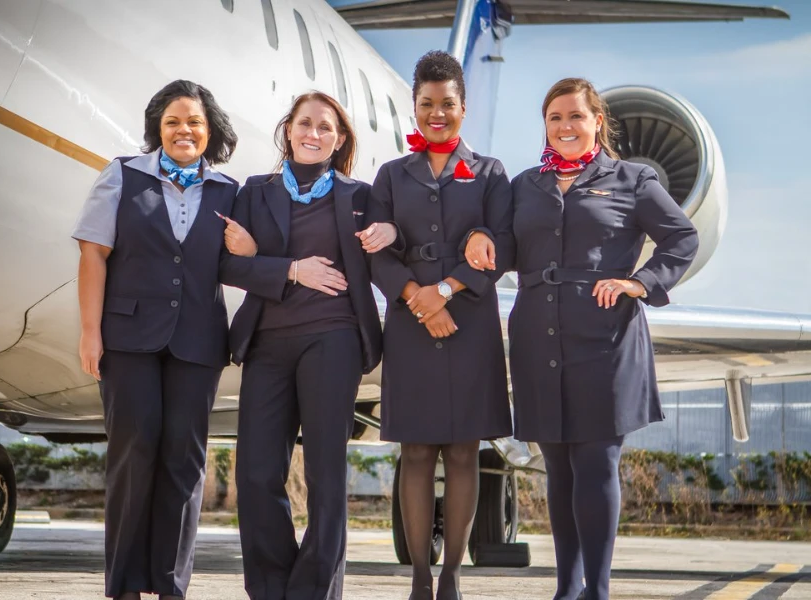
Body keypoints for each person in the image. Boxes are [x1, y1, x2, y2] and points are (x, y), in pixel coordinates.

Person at [508, 77, 699, 600]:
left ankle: (598, 591)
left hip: (605, 337)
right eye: (554, 118)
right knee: (558, 467)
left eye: (575, 116)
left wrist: (641, 281)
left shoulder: (631, 179)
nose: (565, 127)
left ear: (597, 121)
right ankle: (566, 589)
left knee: (595, 461)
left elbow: (682, 236)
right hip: (537, 337)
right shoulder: (525, 185)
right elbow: (501, 246)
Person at [72, 79, 239, 600]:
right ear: (157, 130)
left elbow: (245, 261)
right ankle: (123, 586)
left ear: (210, 132)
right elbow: (93, 255)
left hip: (198, 342)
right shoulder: (121, 176)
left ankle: (170, 585)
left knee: (184, 463)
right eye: (172, 122)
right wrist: (89, 332)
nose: (184, 130)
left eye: (194, 122)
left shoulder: (230, 192)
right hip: (127, 339)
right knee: (133, 452)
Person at [219, 91, 383, 600]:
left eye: (325, 127)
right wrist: (290, 268)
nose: (313, 133)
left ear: (339, 140)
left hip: (333, 340)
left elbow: (395, 247)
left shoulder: (361, 196)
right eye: (305, 123)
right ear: (288, 129)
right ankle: (271, 588)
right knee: (256, 473)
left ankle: (314, 591)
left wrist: (393, 228)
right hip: (267, 341)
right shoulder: (253, 191)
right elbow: (226, 264)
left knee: (325, 476)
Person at [365, 51, 514, 600]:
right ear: (414, 107)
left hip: (470, 319)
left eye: (446, 104)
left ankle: (451, 575)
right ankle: (420, 577)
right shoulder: (389, 175)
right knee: (417, 452)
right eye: (426, 104)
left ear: (463, 108)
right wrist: (416, 297)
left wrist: (445, 290)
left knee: (461, 450)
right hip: (409, 323)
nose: (436, 114)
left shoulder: (492, 173)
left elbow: (506, 244)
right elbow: (376, 255)